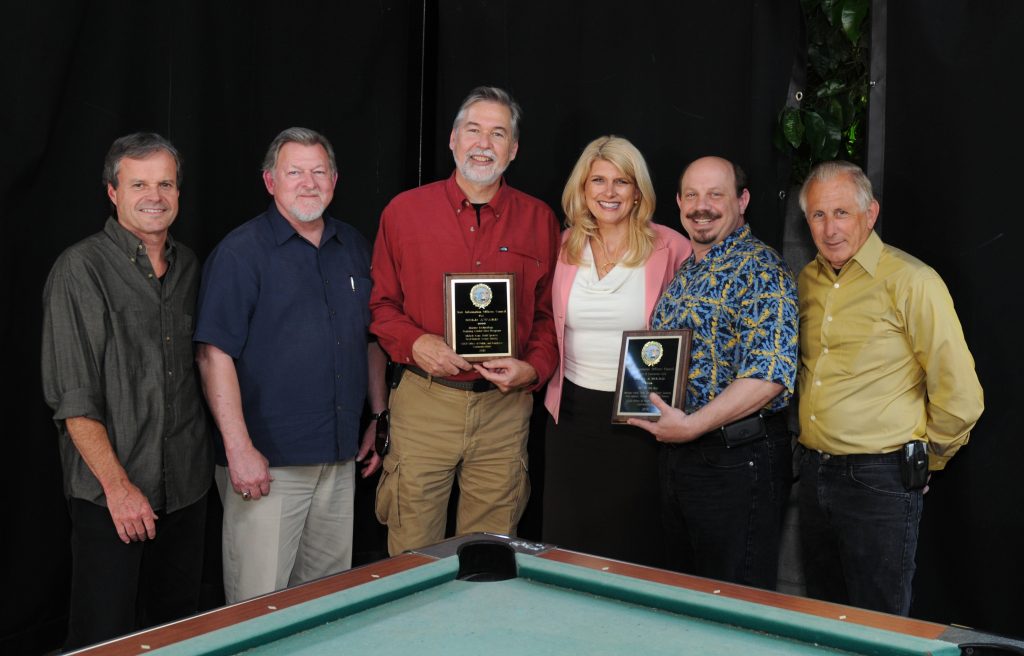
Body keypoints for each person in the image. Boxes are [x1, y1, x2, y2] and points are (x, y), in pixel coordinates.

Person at [194, 127, 387, 604]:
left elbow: (373, 339)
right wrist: (238, 449)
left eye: (319, 171)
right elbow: (212, 353)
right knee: (259, 605)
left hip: (339, 461)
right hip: (268, 466)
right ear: (269, 181)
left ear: (335, 180)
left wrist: (379, 416)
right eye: (294, 172)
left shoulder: (355, 248)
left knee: (323, 604)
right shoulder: (241, 254)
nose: (308, 182)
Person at [41, 132, 213, 650]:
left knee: (178, 632)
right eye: (138, 183)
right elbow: (73, 397)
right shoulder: (81, 269)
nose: (154, 195)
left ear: (179, 192)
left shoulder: (190, 268)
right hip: (112, 492)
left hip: (185, 487)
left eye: (165, 183)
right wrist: (118, 489)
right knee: (105, 637)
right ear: (113, 192)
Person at [370, 86, 559, 555]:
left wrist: (533, 368)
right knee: (412, 551)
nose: (483, 143)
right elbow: (381, 307)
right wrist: (415, 343)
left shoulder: (540, 220)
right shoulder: (404, 213)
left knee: (488, 553)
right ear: (453, 140)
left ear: (513, 150)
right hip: (425, 402)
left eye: (498, 134)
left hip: (503, 408)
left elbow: (550, 315)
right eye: (473, 130)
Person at [796, 160, 984, 615]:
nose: (830, 227)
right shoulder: (806, 281)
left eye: (842, 213)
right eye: (818, 215)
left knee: (877, 624)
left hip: (879, 480)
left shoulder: (912, 281)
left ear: (870, 213)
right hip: (813, 475)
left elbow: (960, 396)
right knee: (824, 620)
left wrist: (922, 463)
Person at [628, 156, 798, 590]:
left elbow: (770, 375)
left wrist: (692, 426)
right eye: (692, 195)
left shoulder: (761, 269)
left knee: (733, 599)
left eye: (715, 194)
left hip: (738, 461)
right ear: (679, 202)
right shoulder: (689, 270)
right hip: (683, 458)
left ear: (742, 200)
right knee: (690, 596)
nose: (702, 206)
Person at [542, 136, 691, 567]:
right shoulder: (562, 246)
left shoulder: (670, 247)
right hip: (569, 414)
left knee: (631, 543)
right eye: (599, 181)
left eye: (621, 182)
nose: (609, 193)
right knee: (568, 542)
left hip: (638, 418)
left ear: (638, 191)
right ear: (583, 189)